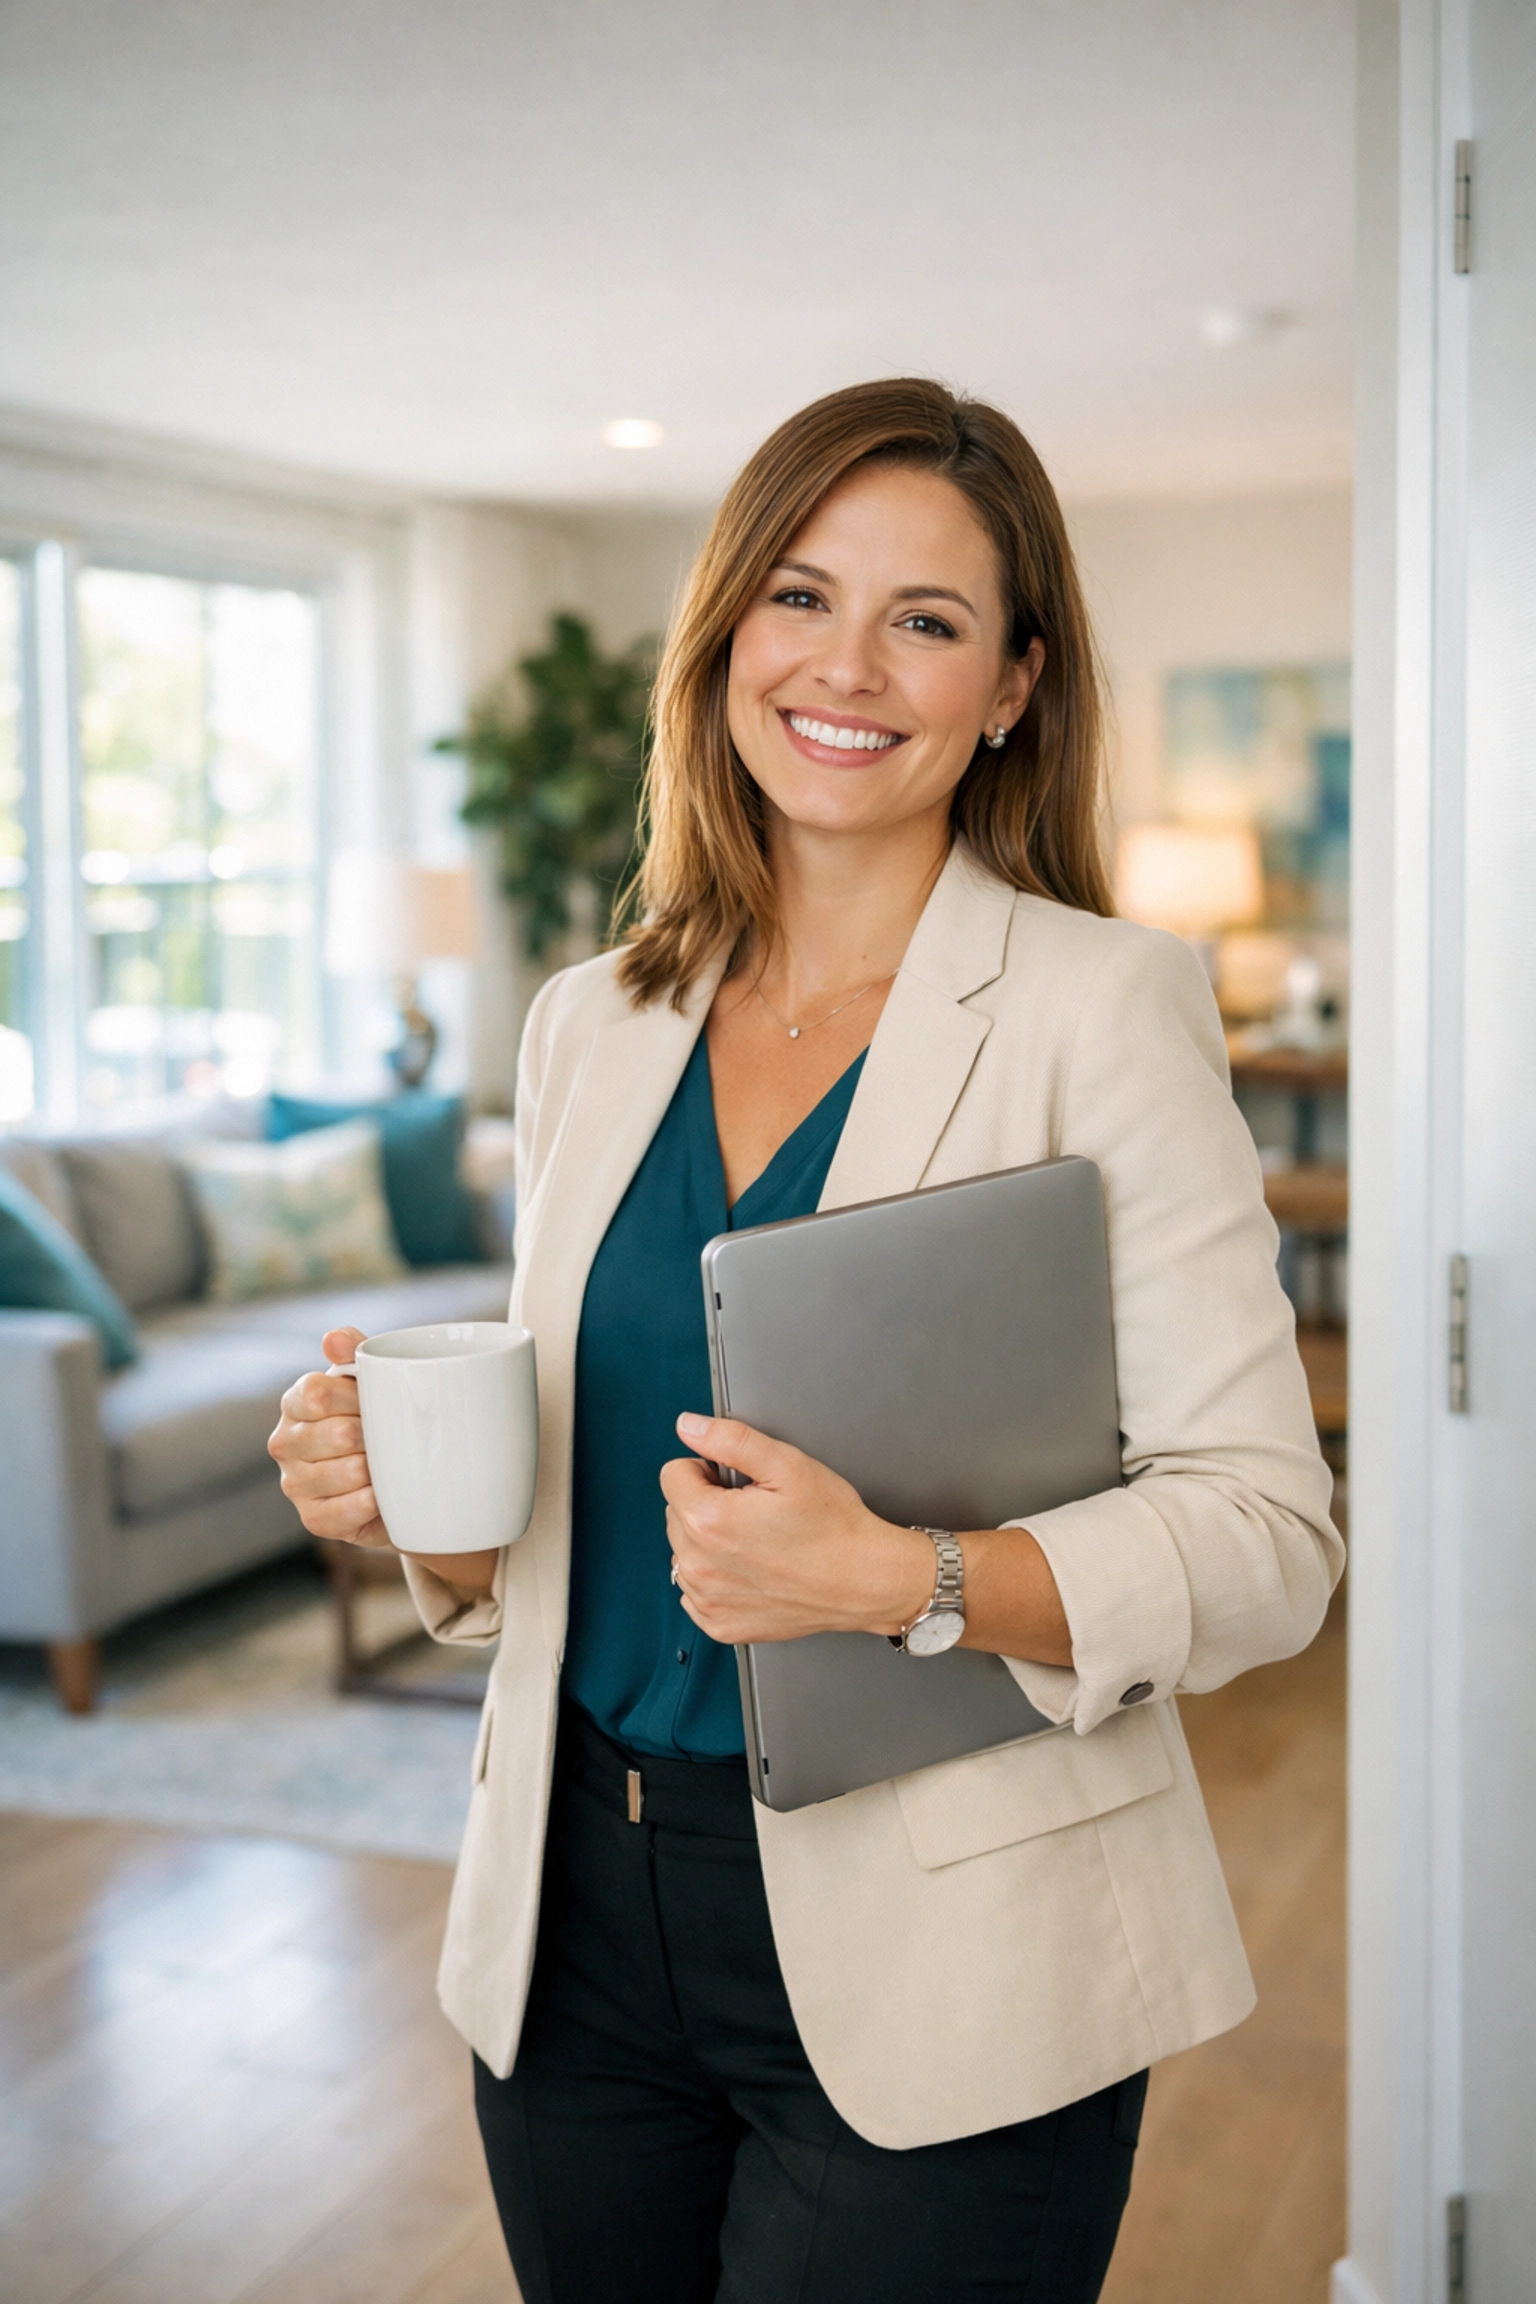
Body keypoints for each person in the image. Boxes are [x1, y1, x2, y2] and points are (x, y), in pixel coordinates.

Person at [270, 378, 1342, 2303]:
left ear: (1012, 684)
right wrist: (416, 1517)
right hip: (571, 1925)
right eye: (797, 594)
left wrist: (905, 1578)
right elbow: (585, 1535)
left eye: (926, 620)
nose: (848, 666)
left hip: (959, 1942)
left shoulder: (1103, 1009)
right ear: (725, 634)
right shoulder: (589, 1021)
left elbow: (1269, 1540)